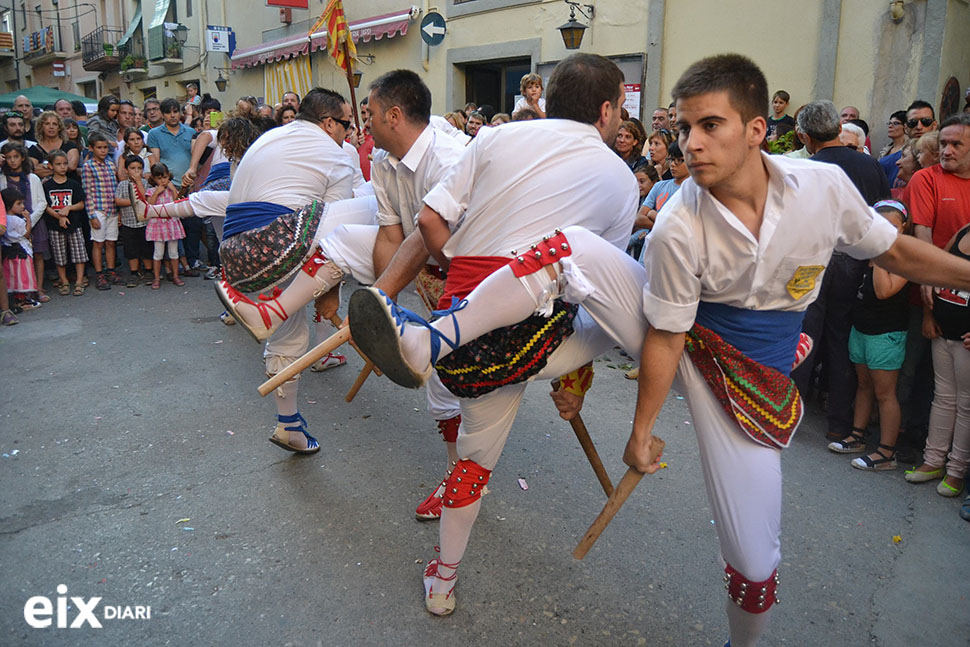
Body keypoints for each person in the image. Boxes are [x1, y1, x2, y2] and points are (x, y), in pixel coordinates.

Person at [348, 53, 970, 644]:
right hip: (651, 339)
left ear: (758, 129)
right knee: (568, 247)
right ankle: (429, 339)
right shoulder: (676, 221)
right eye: (684, 125)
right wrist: (640, 427)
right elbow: (661, 332)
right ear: (610, 110)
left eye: (709, 125)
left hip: (749, 384)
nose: (689, 142)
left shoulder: (824, 188)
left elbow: (893, 250)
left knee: (754, 570)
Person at [349, 52, 639, 618]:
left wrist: (455, 276)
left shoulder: (492, 140)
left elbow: (431, 224)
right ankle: (558, 365)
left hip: (468, 329)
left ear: (549, 101)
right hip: (538, 340)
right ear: (606, 111)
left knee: (474, 463)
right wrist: (577, 380)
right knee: (598, 291)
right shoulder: (621, 180)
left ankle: (443, 581)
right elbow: (598, 291)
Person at [204, 88, 360, 454]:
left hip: (234, 258)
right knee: (373, 214)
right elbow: (341, 232)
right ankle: (272, 311)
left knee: (289, 333)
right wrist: (332, 290)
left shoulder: (268, 138)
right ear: (327, 123)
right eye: (346, 124)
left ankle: (288, 425)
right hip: (276, 246)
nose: (349, 133)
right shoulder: (334, 154)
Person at [791, 100, 890, 442]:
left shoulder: (807, 169)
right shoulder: (870, 166)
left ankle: (789, 415)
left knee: (806, 336)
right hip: (854, 260)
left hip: (813, 259)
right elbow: (884, 213)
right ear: (836, 128)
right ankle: (839, 423)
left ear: (805, 136)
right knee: (839, 338)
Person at [827, 201, 910, 470]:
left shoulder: (903, 258)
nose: (886, 232)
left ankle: (887, 453)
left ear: (904, 228)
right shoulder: (866, 251)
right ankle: (857, 436)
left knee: (885, 393)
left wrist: (879, 256)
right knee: (863, 384)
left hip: (886, 333)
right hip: (861, 327)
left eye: (892, 227)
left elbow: (885, 290)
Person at [0, 143, 47, 301]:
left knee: (38, 254)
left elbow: (42, 202)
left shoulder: (32, 177)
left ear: (22, 158)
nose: (12, 161)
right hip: (11, 224)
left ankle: (38, 288)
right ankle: (18, 290)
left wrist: (29, 221)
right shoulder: (2, 178)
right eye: (9, 158)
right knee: (15, 257)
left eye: (16, 157)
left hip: (34, 220)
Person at [42, 150, 88, 296]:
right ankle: (64, 280)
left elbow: (81, 203)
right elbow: (45, 205)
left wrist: (68, 208)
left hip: (74, 224)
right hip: (55, 225)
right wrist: (58, 216)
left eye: (64, 164)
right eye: (58, 164)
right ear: (50, 166)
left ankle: (79, 281)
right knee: (59, 255)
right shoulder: (47, 185)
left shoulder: (73, 184)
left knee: (79, 253)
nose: (62, 167)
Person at [81, 132, 120, 290]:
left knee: (111, 242)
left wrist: (118, 212)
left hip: (112, 209)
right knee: (98, 243)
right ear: (91, 148)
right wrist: (91, 215)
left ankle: (111, 271)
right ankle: (99, 274)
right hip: (97, 209)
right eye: (99, 148)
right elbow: (87, 191)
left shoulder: (111, 165)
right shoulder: (88, 166)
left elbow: (115, 189)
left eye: (105, 148)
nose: (103, 151)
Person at [143, 163, 184, 289]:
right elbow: (149, 205)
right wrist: (157, 192)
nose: (163, 181)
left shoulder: (172, 189)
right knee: (158, 253)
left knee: (173, 252)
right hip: (158, 224)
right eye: (159, 178)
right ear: (154, 179)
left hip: (171, 223)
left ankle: (176, 276)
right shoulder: (151, 190)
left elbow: (178, 201)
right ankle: (156, 278)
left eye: (165, 177)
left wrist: (172, 189)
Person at [114, 155, 152, 287]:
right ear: (126, 170)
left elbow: (145, 198)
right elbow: (118, 200)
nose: (136, 171)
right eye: (132, 168)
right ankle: (134, 273)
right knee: (131, 249)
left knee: (146, 248)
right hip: (128, 223)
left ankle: (148, 271)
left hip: (145, 223)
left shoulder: (146, 183)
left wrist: (139, 182)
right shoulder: (122, 185)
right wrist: (134, 202)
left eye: (139, 168)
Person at [0, 186, 39, 310]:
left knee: (12, 276)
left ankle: (16, 299)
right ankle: (23, 299)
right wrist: (28, 220)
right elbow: (26, 234)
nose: (23, 206)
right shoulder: (17, 221)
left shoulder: (5, 220)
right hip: (21, 252)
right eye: (19, 203)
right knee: (22, 276)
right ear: (9, 205)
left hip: (9, 251)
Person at [32, 112, 79, 181]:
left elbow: (72, 166)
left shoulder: (70, 145)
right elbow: (34, 170)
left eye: (55, 124)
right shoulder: (34, 149)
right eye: (47, 124)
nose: (51, 127)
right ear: (41, 127)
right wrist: (62, 168)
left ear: (59, 127)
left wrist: (45, 166)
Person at [878, 111, 907, 186]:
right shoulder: (885, 150)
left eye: (896, 123)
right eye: (890, 123)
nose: (890, 126)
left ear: (905, 126)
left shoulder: (909, 149)